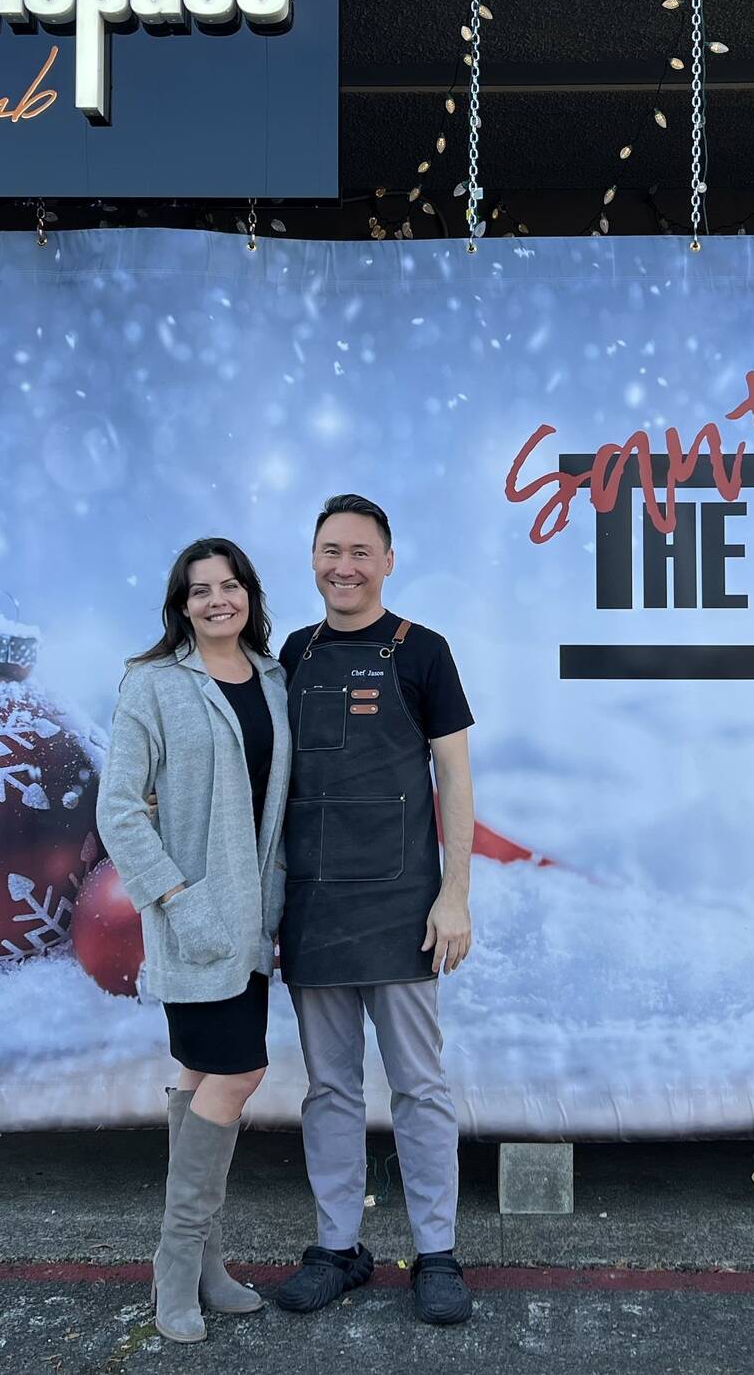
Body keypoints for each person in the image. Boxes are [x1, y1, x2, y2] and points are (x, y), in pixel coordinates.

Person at [270, 493, 478, 1327]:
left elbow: (455, 779)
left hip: (403, 906)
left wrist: (454, 893)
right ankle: (338, 1247)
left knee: (420, 1087)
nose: (343, 566)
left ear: (388, 561)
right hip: (315, 906)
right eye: (330, 550)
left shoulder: (423, 652)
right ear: (313, 560)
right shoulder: (293, 653)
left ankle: (437, 1252)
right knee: (329, 1088)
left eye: (360, 551)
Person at [95, 538, 291, 1345]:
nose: (218, 600)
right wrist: (178, 899)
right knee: (239, 1071)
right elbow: (119, 810)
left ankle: (207, 1268)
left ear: (248, 593)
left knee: (200, 1072)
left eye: (230, 585)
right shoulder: (154, 685)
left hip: (255, 921)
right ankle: (173, 1268)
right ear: (181, 605)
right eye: (200, 590)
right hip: (195, 919)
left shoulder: (275, 679)